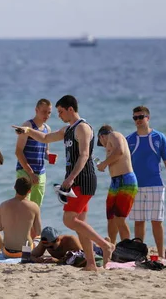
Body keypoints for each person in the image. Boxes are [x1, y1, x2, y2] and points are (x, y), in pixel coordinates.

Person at [13, 95, 114, 271]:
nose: (58, 115)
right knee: (80, 224)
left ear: (70, 109)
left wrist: (71, 177)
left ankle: (105, 245)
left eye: (60, 112)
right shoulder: (68, 129)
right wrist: (28, 132)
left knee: (69, 219)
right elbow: (45, 138)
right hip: (75, 181)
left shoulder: (82, 127)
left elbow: (84, 155)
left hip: (83, 179)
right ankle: (91, 263)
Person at [126, 105, 166, 257]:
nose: (138, 120)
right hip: (135, 186)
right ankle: (139, 254)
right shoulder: (129, 139)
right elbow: (124, 162)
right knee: (139, 221)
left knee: (156, 221)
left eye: (140, 117)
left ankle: (161, 255)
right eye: (135, 118)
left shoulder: (159, 137)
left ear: (148, 118)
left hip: (156, 185)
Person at [96, 125, 138, 244]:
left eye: (101, 143)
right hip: (115, 182)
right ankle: (112, 246)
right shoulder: (110, 141)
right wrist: (103, 164)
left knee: (120, 218)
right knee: (111, 217)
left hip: (126, 180)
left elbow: (120, 151)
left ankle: (126, 248)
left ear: (101, 136)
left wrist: (104, 164)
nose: (104, 147)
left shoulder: (114, 135)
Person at [15, 98, 52, 207]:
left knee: (35, 208)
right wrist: (30, 173)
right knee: (23, 207)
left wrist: (49, 156)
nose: (47, 115)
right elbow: (18, 151)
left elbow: (45, 151)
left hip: (40, 173)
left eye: (49, 112)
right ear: (36, 110)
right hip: (25, 172)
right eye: (44, 112)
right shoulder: (28, 126)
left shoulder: (47, 129)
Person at [0, 177, 42, 258]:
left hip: (7, 252)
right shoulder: (34, 206)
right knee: (39, 237)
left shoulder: (3, 205)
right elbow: (38, 231)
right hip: (26, 251)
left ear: (14, 188)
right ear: (29, 191)